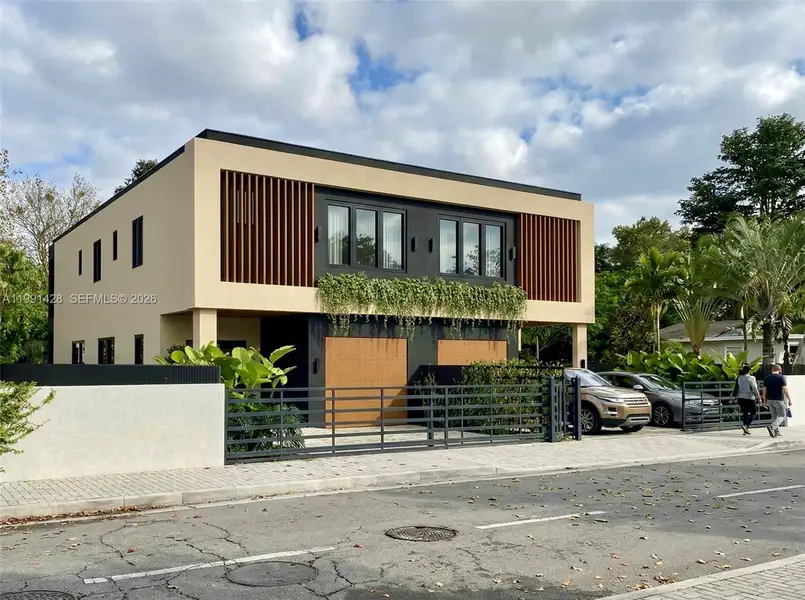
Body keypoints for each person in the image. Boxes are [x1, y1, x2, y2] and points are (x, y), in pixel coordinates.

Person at [762, 364, 793, 438]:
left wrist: (764, 399)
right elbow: (785, 390)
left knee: (774, 416)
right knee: (783, 415)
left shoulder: (767, 378)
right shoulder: (781, 378)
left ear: (772, 370)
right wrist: (789, 399)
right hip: (778, 400)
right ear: (780, 370)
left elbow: (764, 390)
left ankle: (776, 432)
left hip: (769, 400)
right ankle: (772, 426)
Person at [734, 365, 760, 435]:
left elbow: (736, 387)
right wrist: (759, 397)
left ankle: (745, 429)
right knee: (753, 413)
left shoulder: (739, 377)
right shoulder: (751, 378)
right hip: (749, 397)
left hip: (740, 398)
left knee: (745, 413)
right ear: (749, 371)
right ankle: (746, 425)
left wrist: (735, 397)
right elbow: (754, 388)